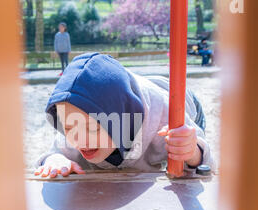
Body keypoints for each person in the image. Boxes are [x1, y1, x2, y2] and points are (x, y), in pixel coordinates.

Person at [34, 53, 214, 178]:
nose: (79, 139)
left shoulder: (165, 118)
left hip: (180, 100)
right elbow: (52, 154)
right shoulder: (76, 115)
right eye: (68, 127)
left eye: (92, 128)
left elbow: (207, 166)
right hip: (120, 95)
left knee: (181, 150)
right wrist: (55, 160)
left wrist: (191, 151)